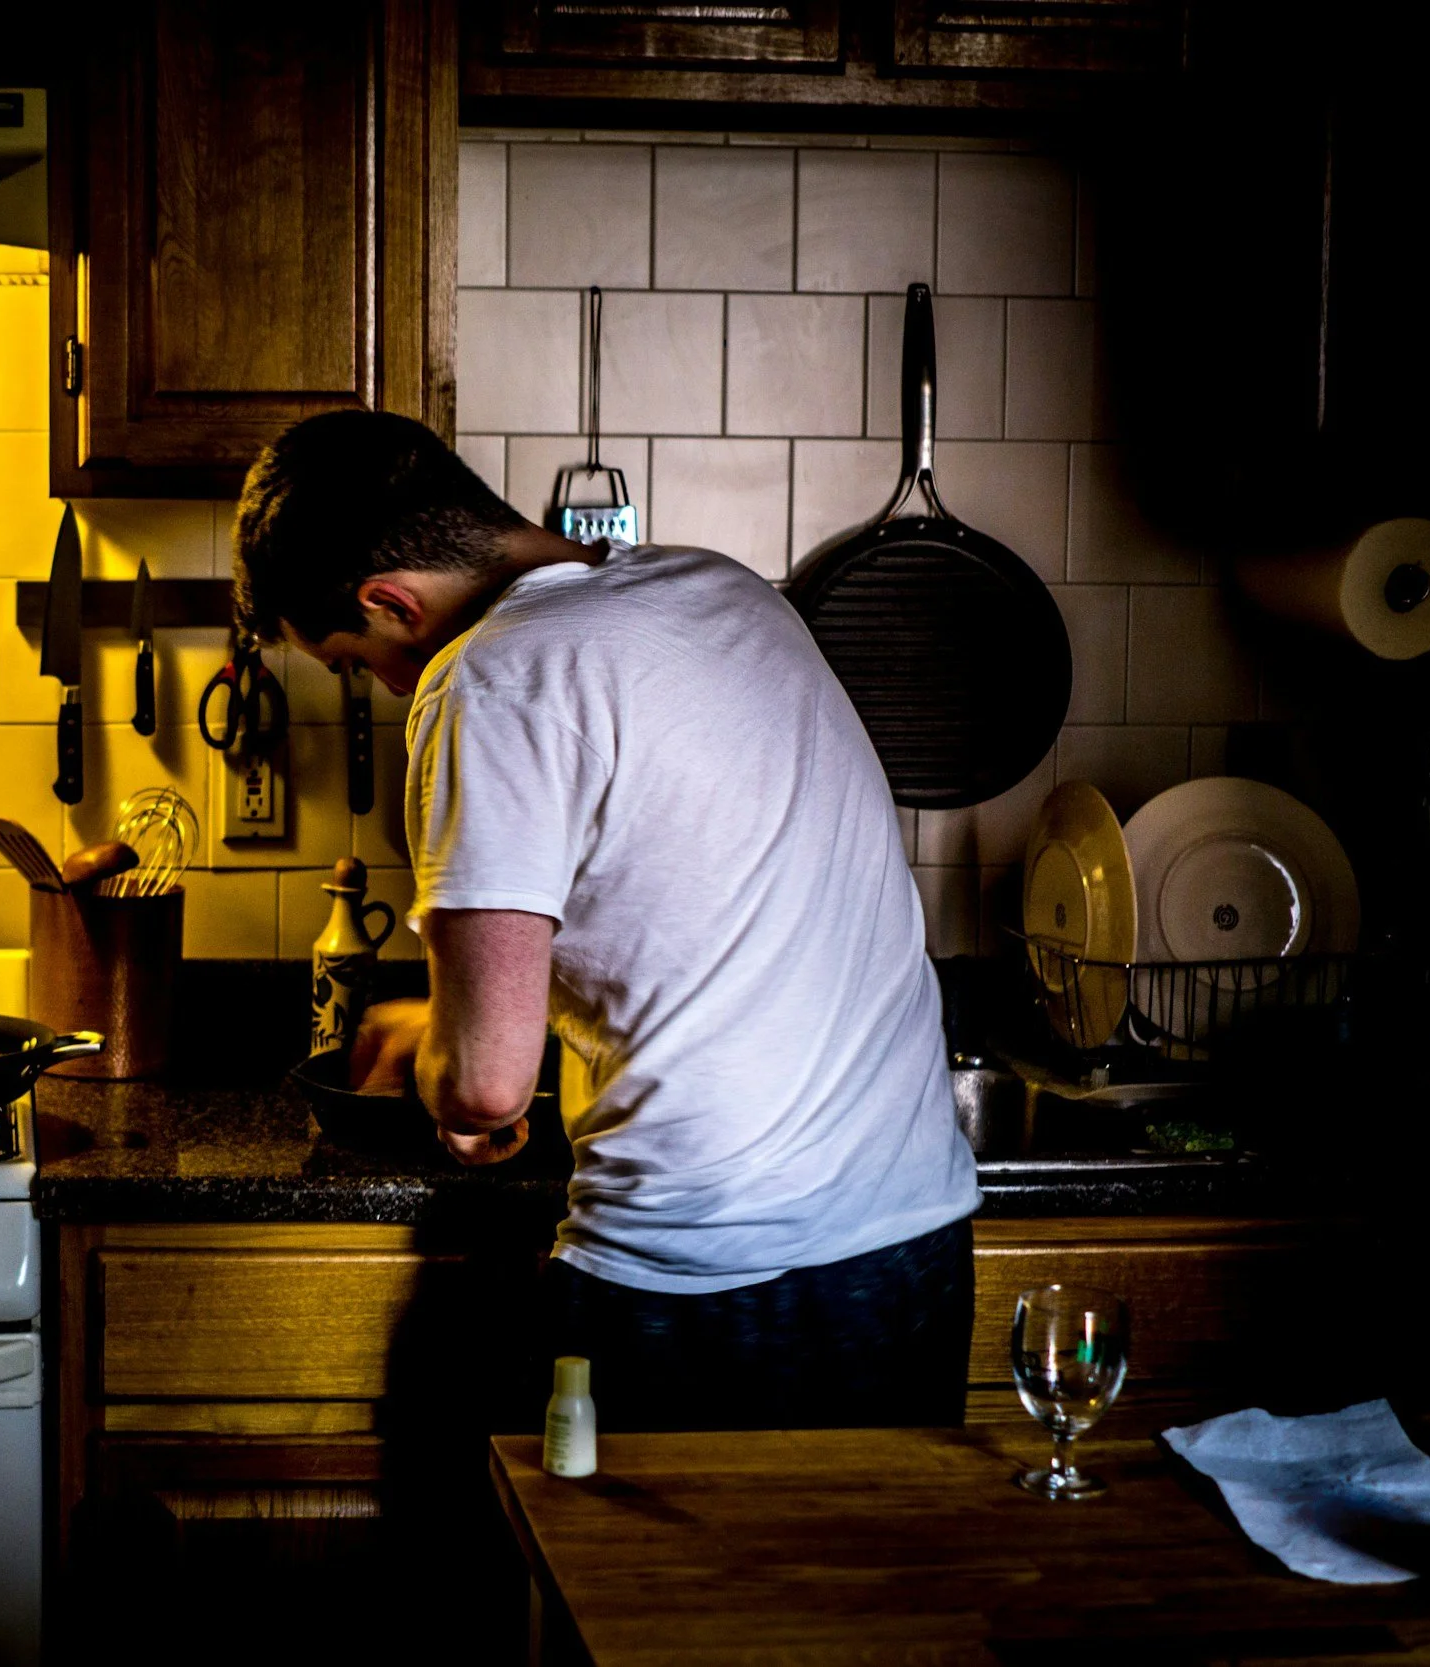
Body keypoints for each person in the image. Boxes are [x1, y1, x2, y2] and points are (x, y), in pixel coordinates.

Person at [232, 411, 980, 1429]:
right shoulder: (721, 589)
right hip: (911, 1241)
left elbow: (486, 1083)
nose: (381, 682)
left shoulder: (487, 679)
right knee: (857, 1586)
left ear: (390, 602)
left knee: (625, 1585)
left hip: (705, 1273)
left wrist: (430, 1057)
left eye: (355, 659)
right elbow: (685, 913)